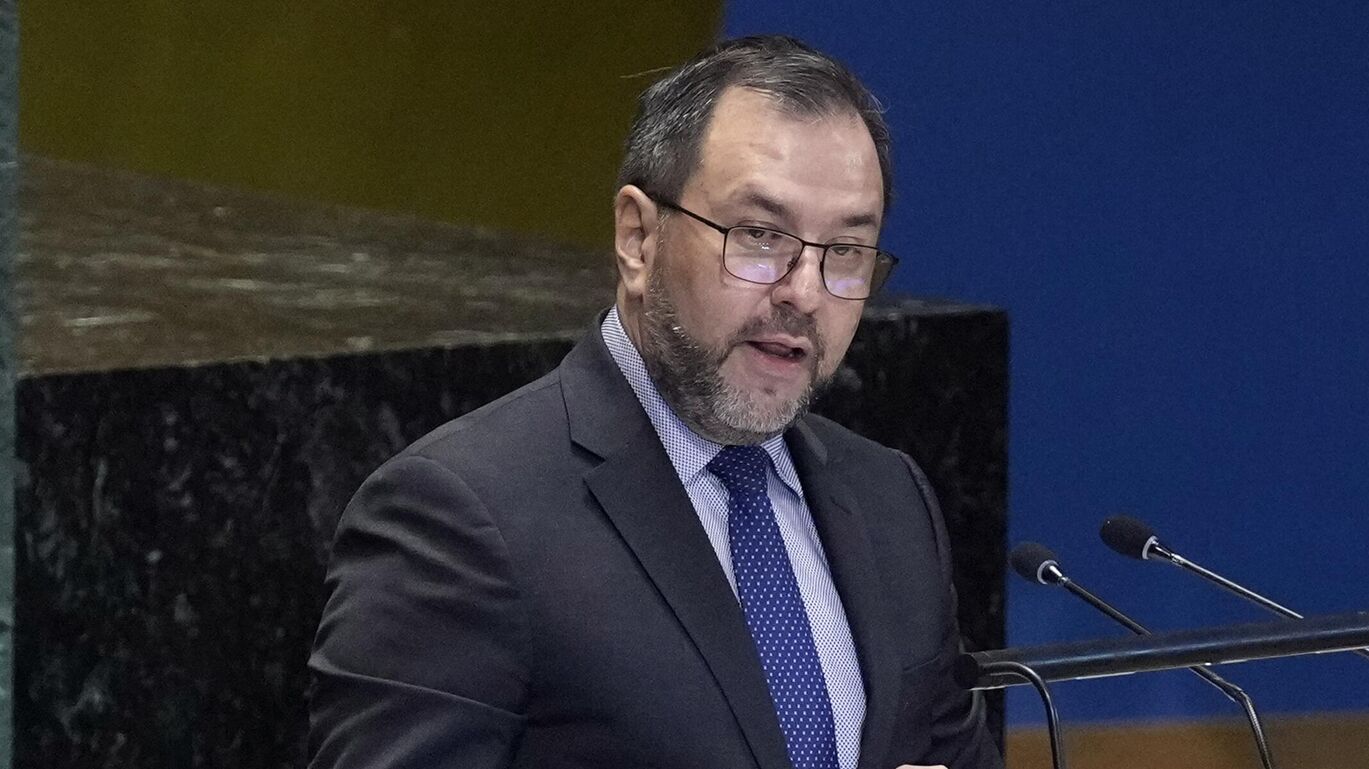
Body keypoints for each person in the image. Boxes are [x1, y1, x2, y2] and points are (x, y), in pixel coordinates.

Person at [307, 35, 1001, 769]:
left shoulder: (891, 500)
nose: (803, 292)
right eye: (760, 235)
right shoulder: (461, 514)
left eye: (846, 252)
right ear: (637, 237)